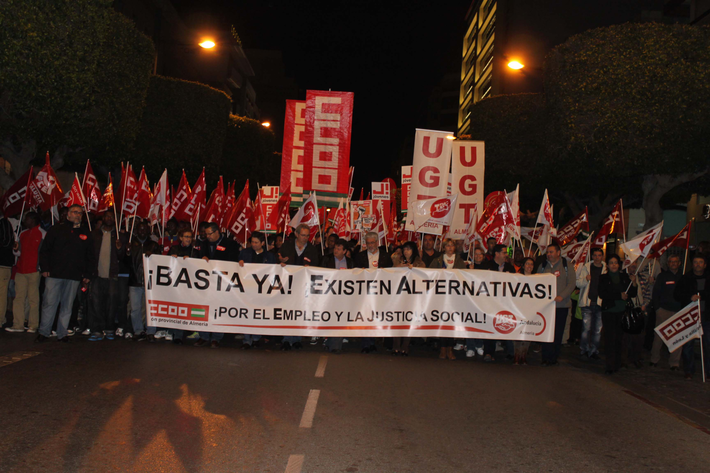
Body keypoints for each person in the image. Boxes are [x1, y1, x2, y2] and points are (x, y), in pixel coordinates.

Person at [36, 205, 93, 343]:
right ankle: (44, 332)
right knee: (49, 303)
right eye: (75, 212)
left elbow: (90, 256)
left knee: (67, 305)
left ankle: (62, 333)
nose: (77, 215)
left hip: (74, 275)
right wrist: (45, 268)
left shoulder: (86, 233)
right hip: (54, 274)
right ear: (68, 214)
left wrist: (87, 274)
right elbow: (45, 251)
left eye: (80, 213)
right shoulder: (56, 229)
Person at [277, 224, 321, 351]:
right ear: (296, 234)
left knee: (299, 312)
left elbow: (316, 264)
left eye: (307, 235)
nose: (305, 238)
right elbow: (277, 257)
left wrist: (310, 267)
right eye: (303, 235)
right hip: (288, 284)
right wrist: (280, 259)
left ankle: (297, 339)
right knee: (288, 312)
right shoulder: (287, 245)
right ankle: (286, 339)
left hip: (304, 285)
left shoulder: (312, 249)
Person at [197, 222, 240, 348]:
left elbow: (233, 261)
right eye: (206, 234)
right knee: (203, 309)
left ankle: (216, 337)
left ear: (217, 232)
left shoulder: (230, 244)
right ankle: (203, 336)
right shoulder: (203, 244)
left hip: (222, 282)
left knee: (218, 310)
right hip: (206, 283)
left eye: (210, 234)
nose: (208, 236)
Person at [88, 211, 127, 341]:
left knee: (112, 303)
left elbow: (122, 257)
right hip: (96, 275)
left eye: (112, 217)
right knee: (96, 303)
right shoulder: (94, 234)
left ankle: (109, 328)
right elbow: (88, 255)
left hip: (112, 275)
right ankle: (97, 330)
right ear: (103, 218)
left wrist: (120, 248)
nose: (109, 218)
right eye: (107, 216)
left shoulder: (119, 236)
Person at [537, 243, 577, 366]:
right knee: (545, 331)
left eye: (551, 252)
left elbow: (571, 284)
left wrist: (562, 296)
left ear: (558, 252)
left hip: (561, 305)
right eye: (547, 252)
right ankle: (545, 357)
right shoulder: (543, 266)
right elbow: (536, 281)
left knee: (558, 332)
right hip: (546, 307)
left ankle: (554, 357)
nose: (549, 254)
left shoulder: (567, 266)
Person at [354, 231, 393, 353]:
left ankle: (374, 341)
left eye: (372, 243)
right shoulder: (360, 256)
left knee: (376, 316)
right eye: (368, 243)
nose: (370, 245)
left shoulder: (386, 256)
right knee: (366, 316)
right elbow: (355, 272)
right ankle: (366, 343)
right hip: (365, 291)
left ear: (377, 242)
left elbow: (391, 273)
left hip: (381, 291)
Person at [599, 254, 638, 374]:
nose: (614, 265)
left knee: (620, 339)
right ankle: (610, 365)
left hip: (622, 311)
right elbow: (602, 294)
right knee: (610, 338)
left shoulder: (624, 277)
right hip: (609, 311)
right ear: (608, 265)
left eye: (615, 262)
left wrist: (634, 283)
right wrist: (618, 295)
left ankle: (618, 363)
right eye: (611, 263)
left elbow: (632, 293)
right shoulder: (603, 278)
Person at [7, 212, 44, 333]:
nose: (24, 221)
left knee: (33, 299)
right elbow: (18, 253)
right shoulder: (22, 233)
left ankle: (33, 324)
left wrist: (40, 268)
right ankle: (18, 324)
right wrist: (15, 250)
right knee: (19, 298)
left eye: (27, 219)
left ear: (33, 220)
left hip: (34, 270)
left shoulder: (42, 233)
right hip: (21, 269)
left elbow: (43, 254)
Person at [238, 231, 276, 349]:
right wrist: (239, 264)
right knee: (247, 313)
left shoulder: (269, 256)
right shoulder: (244, 253)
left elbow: (274, 271)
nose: (253, 244)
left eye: (256, 242)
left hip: (261, 290)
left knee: (258, 314)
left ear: (263, 243)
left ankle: (256, 338)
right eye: (252, 242)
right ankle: (246, 339)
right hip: (247, 288)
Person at [429, 238, 466, 360]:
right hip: (441, 296)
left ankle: (450, 348)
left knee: (452, 322)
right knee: (443, 321)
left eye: (452, 245)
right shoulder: (437, 261)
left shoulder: (460, 262)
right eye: (447, 246)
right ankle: (443, 348)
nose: (450, 248)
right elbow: (429, 275)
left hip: (455, 296)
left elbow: (464, 277)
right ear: (443, 248)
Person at [675, 254, 709, 380]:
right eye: (695, 262)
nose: (698, 264)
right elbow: (677, 294)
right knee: (688, 344)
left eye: (701, 262)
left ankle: (708, 371)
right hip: (690, 316)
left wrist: (703, 296)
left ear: (705, 265)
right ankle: (689, 370)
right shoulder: (686, 278)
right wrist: (690, 297)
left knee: (708, 344)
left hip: (706, 316)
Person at [126, 221, 160, 341]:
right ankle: (138, 331)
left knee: (150, 308)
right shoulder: (131, 244)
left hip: (149, 282)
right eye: (140, 229)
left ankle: (151, 331)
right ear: (136, 231)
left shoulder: (153, 245)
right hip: (135, 281)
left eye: (144, 229)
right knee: (135, 309)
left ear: (148, 231)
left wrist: (154, 254)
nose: (142, 231)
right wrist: (126, 252)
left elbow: (160, 262)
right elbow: (124, 262)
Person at [482, 244, 516, 362]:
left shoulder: (510, 267)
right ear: (497, 254)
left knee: (506, 325)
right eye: (504, 252)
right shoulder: (487, 266)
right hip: (490, 302)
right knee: (489, 326)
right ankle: (488, 353)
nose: (506, 255)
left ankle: (511, 352)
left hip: (505, 303)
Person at [392, 241, 426, 356]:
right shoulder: (398, 259)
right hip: (398, 294)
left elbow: (424, 273)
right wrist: (399, 267)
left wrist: (414, 269)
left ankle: (405, 345)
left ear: (413, 250)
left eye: (409, 249)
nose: (406, 251)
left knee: (408, 319)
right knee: (397, 318)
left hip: (412, 296)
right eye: (404, 249)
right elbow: (389, 272)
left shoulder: (419, 262)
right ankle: (396, 345)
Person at [650, 254, 683, 369]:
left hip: (678, 312)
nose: (673, 263)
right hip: (663, 310)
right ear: (668, 264)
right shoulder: (662, 276)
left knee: (677, 337)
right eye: (671, 261)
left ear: (679, 263)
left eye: (675, 261)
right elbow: (656, 293)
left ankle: (674, 362)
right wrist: (657, 309)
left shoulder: (683, 276)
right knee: (658, 336)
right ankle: (654, 359)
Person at [320, 238, 354, 353]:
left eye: (339, 249)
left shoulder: (350, 262)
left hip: (344, 296)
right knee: (330, 318)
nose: (336, 251)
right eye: (335, 248)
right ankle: (330, 341)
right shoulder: (326, 259)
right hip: (329, 294)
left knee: (339, 318)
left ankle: (335, 345)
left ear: (345, 251)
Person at [576, 248, 607, 360]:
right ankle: (584, 349)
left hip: (600, 303)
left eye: (599, 255)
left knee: (597, 330)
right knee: (586, 329)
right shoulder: (586, 267)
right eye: (595, 255)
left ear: (602, 256)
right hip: (587, 303)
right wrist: (586, 279)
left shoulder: (606, 269)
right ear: (592, 256)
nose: (597, 257)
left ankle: (594, 350)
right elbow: (578, 283)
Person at [513, 257, 536, 365]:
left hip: (531, 309)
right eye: (527, 264)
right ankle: (517, 356)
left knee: (528, 333)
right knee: (517, 333)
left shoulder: (538, 279)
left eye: (531, 264)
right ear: (523, 265)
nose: (529, 266)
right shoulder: (517, 277)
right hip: (519, 309)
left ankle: (524, 356)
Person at [0, 214, 14, 330]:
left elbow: (7, 242)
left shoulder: (4, 223)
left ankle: (0, 319)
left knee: (1, 293)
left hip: (3, 265)